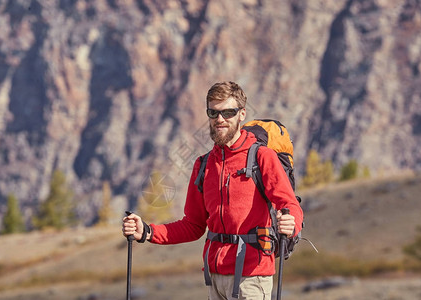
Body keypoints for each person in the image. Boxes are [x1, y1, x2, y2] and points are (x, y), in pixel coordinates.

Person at [122, 81, 303, 299]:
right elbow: (193, 225)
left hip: (252, 278)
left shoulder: (262, 157)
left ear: (242, 114)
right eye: (213, 112)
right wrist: (148, 232)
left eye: (228, 112)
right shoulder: (204, 165)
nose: (220, 119)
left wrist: (290, 223)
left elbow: (290, 204)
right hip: (214, 278)